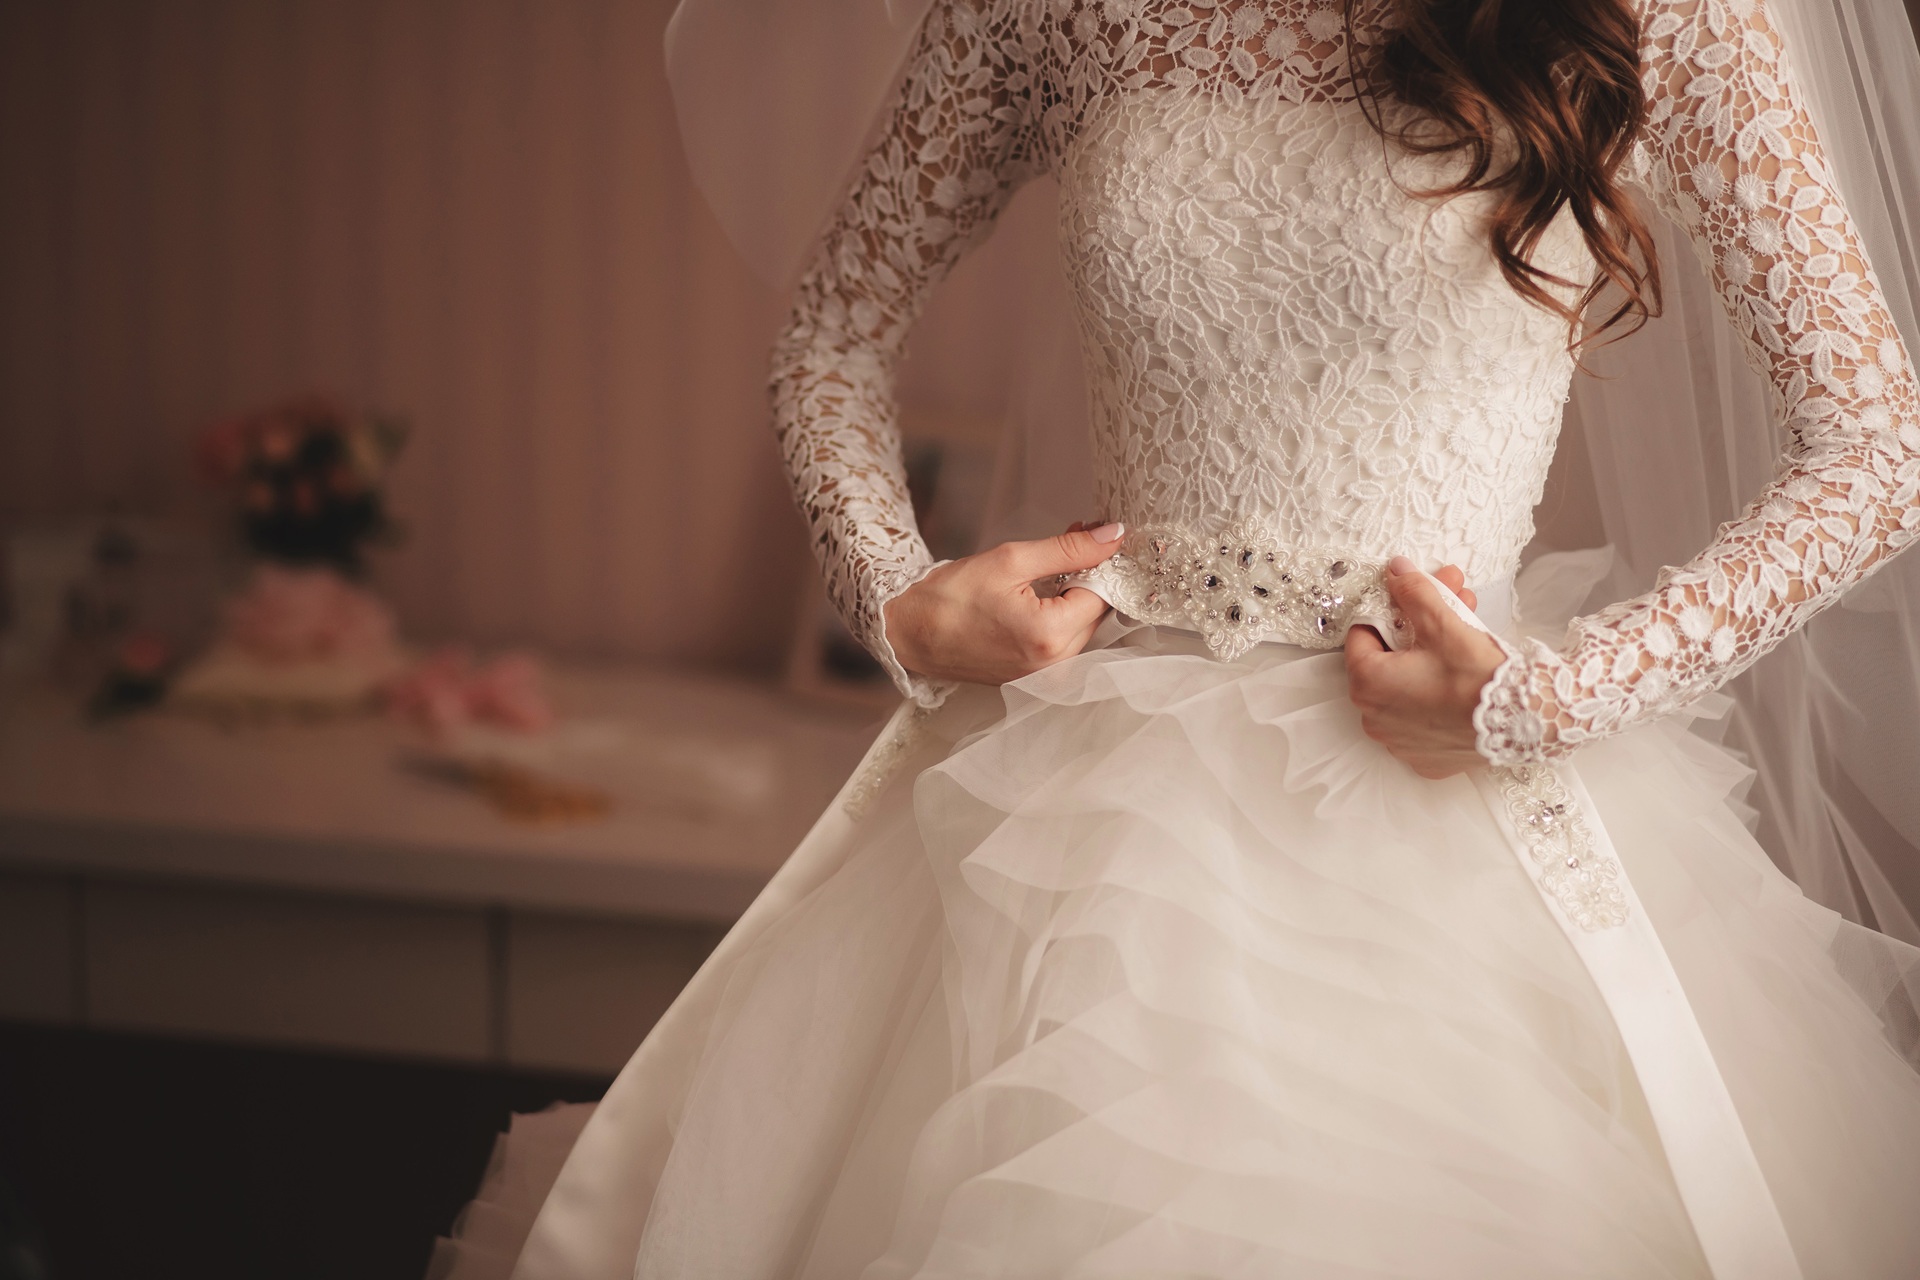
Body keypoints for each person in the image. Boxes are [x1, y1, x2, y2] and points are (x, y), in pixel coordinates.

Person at [444, 2, 1920, 1276]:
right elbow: (832, 326)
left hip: (1458, 807)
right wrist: (893, 592)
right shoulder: (1054, 10)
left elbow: (1878, 445)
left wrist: (1557, 693)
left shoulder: (1651, 10)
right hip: (1089, 820)